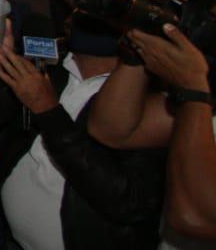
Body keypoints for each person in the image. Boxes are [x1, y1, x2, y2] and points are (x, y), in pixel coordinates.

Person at [0, 11, 166, 250]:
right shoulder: (50, 65)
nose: (73, 17)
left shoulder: (150, 102)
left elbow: (127, 201)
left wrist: (48, 111)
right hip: (11, 240)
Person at [89, 24, 216, 246]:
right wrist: (141, 51)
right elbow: (113, 129)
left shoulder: (198, 92)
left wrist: (193, 88)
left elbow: (194, 217)